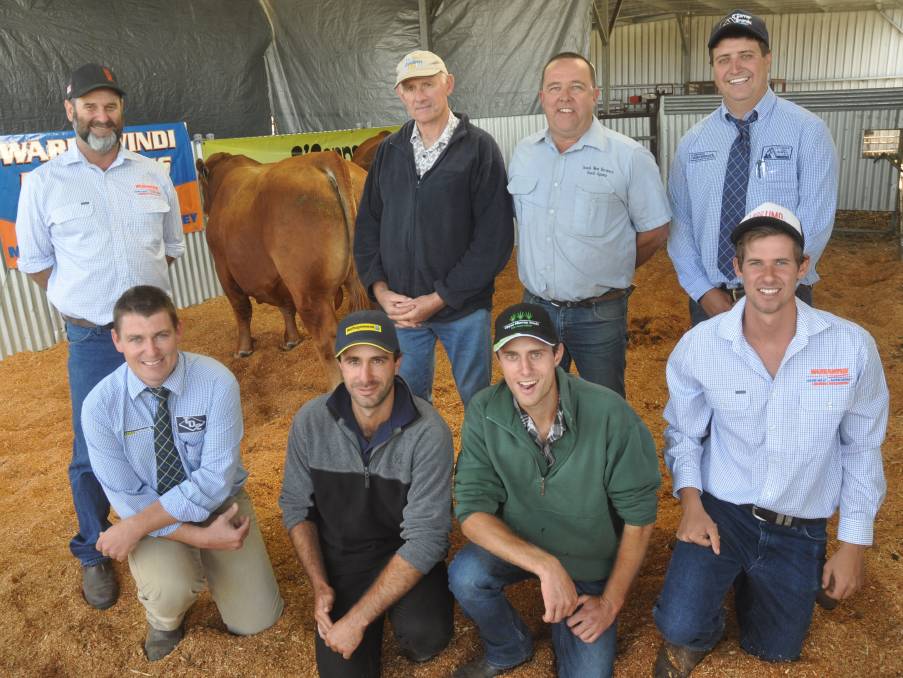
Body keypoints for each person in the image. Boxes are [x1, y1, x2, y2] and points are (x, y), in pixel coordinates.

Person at [653, 204, 888, 676]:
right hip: (722, 511)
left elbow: (861, 448)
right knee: (679, 625)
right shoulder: (701, 345)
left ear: (803, 267)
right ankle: (713, 607)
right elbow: (683, 433)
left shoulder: (851, 346)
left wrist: (854, 545)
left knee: (776, 648)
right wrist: (691, 504)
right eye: (756, 262)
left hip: (799, 521)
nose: (768, 275)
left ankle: (771, 578)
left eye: (782, 262)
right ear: (736, 268)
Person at [14, 62, 185, 608]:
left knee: (170, 432)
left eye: (109, 105)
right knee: (91, 447)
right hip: (91, 339)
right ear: (70, 111)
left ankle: (170, 536)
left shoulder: (154, 174)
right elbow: (38, 264)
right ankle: (93, 551)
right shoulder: (44, 183)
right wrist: (81, 304)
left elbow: (170, 250)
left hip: (154, 337)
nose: (101, 116)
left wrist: (145, 326)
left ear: (121, 110)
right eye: (89, 106)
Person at [449, 303, 661, 678]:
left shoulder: (611, 413)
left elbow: (640, 519)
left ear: (558, 355)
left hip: (588, 559)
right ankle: (508, 647)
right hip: (523, 544)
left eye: (536, 354)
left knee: (589, 674)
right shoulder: (483, 411)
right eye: (512, 356)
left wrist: (610, 603)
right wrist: (544, 565)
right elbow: (471, 510)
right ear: (498, 358)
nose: (525, 370)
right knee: (466, 575)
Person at [82, 286, 283, 661]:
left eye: (160, 335)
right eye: (136, 339)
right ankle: (164, 621)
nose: (151, 351)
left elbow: (213, 481)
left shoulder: (216, 381)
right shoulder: (99, 407)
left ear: (179, 329)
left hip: (218, 504)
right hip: (150, 511)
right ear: (117, 341)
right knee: (170, 589)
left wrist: (134, 527)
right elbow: (129, 499)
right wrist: (202, 538)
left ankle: (221, 574)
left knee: (257, 621)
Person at [280, 309, 454, 677]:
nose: (365, 376)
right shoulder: (310, 422)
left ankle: (391, 614)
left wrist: (357, 619)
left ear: (397, 362)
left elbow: (427, 539)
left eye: (378, 360)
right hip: (342, 560)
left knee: (426, 638)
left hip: (403, 551)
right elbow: (297, 507)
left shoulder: (429, 431)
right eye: (354, 361)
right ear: (340, 363)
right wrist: (320, 584)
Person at [354, 50, 513, 407]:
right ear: (400, 94)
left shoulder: (478, 149)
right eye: (410, 87)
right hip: (403, 311)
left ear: (448, 84)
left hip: (464, 310)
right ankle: (422, 464)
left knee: (479, 401)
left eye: (428, 84)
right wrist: (380, 290)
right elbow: (368, 228)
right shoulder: (389, 152)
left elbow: (495, 239)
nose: (420, 95)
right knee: (409, 404)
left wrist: (440, 297)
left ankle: (479, 462)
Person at [507, 52, 671, 397]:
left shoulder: (628, 157)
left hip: (599, 314)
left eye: (576, 87)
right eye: (555, 88)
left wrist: (611, 265)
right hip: (537, 310)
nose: (564, 97)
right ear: (542, 98)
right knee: (537, 404)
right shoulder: (524, 154)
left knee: (605, 408)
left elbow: (655, 230)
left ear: (595, 95)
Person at [667, 9, 838, 326]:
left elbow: (815, 220)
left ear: (767, 59)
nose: (735, 68)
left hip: (784, 295)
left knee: (785, 376)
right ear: (714, 69)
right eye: (723, 59)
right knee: (716, 377)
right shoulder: (692, 143)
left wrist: (770, 284)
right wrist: (703, 291)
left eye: (746, 55)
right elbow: (681, 224)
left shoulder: (807, 132)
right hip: (712, 303)